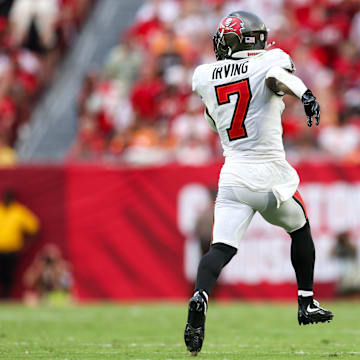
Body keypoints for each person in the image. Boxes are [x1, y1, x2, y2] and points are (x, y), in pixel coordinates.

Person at [184, 11, 334, 356]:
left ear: (233, 40)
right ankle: (306, 302)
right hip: (267, 175)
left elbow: (212, 120)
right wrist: (306, 94)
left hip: (233, 175)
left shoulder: (205, 76)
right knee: (300, 227)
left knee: (219, 248)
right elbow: (280, 78)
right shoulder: (270, 62)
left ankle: (200, 295)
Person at [0, 189, 40, 299]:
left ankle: (6, 298)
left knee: (8, 276)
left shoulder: (19, 212)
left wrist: (26, 245)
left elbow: (34, 227)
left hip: (12, 250)